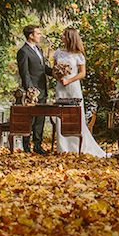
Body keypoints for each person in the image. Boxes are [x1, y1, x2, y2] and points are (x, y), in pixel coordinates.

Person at [53, 27, 106, 158]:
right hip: (61, 87)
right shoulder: (58, 52)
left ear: (70, 38)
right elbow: (54, 69)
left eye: (64, 35)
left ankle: (78, 146)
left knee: (74, 114)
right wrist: (59, 77)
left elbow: (82, 73)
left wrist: (69, 80)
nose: (62, 37)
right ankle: (63, 147)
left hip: (73, 87)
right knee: (61, 114)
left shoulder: (78, 55)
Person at [16, 24, 53, 154]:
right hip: (32, 92)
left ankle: (38, 146)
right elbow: (24, 73)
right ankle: (26, 147)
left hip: (43, 89)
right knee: (29, 120)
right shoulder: (23, 51)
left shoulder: (39, 49)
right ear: (31, 35)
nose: (40, 35)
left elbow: (44, 69)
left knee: (40, 119)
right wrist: (31, 91)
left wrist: (56, 73)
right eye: (38, 33)